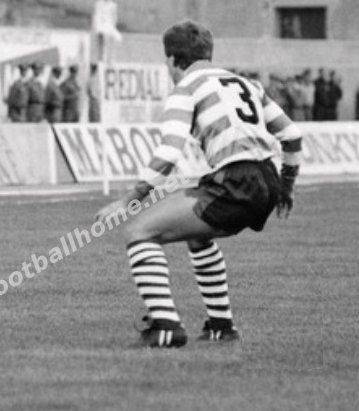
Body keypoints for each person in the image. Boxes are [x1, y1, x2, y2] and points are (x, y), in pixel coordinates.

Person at [93, 20, 302, 348]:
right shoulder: (247, 84)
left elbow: (168, 151)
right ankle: (221, 326)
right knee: (198, 236)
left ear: (171, 59)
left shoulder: (186, 86)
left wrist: (129, 200)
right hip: (268, 179)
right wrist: (286, 188)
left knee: (139, 232)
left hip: (236, 179)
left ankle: (166, 327)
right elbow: (292, 135)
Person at [92, 0, 123, 64]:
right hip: (101, 25)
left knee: (118, 38)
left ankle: (112, 58)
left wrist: (113, 27)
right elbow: (96, 16)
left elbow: (114, 18)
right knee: (105, 39)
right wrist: (95, 27)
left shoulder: (113, 5)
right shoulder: (98, 4)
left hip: (110, 26)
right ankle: (104, 59)